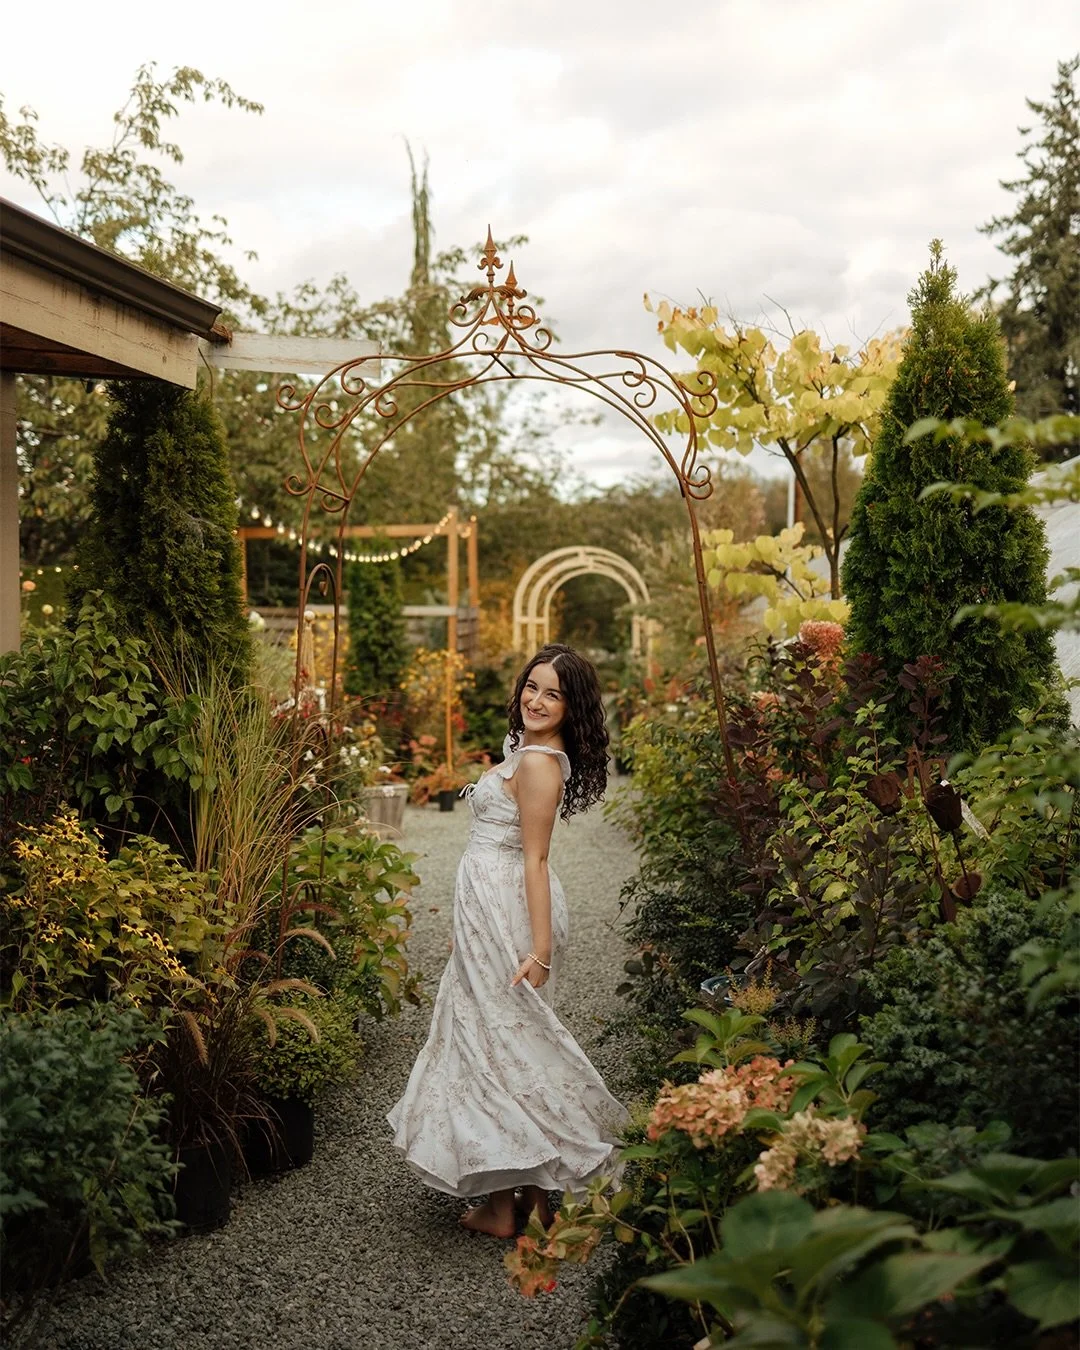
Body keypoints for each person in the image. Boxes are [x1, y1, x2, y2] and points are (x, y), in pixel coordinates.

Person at [387, 643, 628, 1238]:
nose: (537, 700)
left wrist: (539, 950)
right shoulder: (527, 753)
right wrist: (462, 931)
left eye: (553, 694)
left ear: (571, 709)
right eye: (532, 686)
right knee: (488, 1043)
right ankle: (524, 1198)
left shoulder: (542, 763)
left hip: (509, 912)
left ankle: (523, 1196)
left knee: (501, 1043)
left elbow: (537, 858)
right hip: (484, 911)